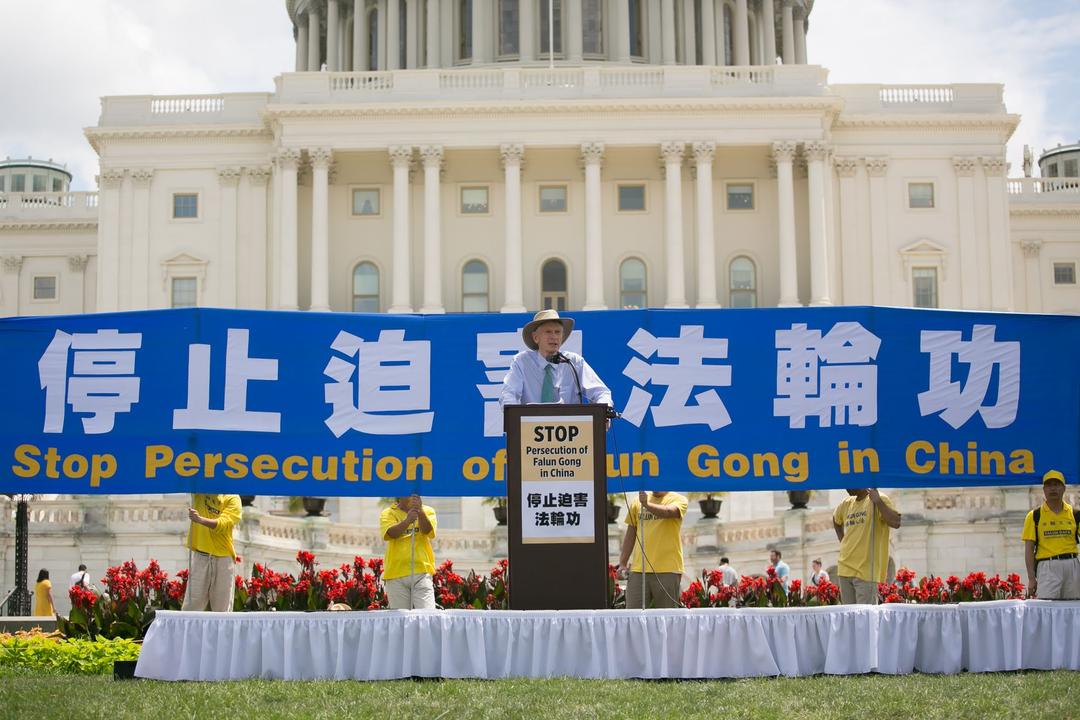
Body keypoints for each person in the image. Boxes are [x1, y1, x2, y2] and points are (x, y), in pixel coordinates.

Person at [499, 309, 612, 407]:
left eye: (557, 332)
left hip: (570, 424)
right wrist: (512, 415)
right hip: (531, 423)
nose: (554, 337)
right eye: (548, 332)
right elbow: (508, 394)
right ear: (536, 337)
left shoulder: (573, 362)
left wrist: (604, 410)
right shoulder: (522, 362)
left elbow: (601, 392)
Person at [617, 491, 688, 609]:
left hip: (668, 570)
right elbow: (630, 534)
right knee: (633, 615)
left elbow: (669, 512)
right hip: (638, 570)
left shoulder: (679, 499)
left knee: (666, 616)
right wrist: (622, 563)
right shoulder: (637, 501)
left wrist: (647, 504)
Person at [833, 488, 902, 605]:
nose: (847, 488)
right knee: (848, 615)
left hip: (866, 573)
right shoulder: (846, 503)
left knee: (865, 615)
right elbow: (836, 519)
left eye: (850, 483)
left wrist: (878, 501)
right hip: (844, 569)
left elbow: (896, 522)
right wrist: (843, 541)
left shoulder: (879, 498)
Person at [1022, 469, 1080, 600]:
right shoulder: (1034, 516)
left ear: (1064, 488)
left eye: (1057, 484)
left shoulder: (1075, 514)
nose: (1053, 488)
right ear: (1044, 489)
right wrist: (1031, 578)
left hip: (1072, 565)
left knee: (1074, 607)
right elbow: (1029, 549)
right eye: (1049, 485)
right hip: (1047, 567)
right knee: (1046, 607)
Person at [182, 493, 242, 612]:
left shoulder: (233, 497)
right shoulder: (199, 493)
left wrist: (199, 520)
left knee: (222, 610)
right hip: (201, 556)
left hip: (224, 559)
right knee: (191, 608)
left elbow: (224, 524)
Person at [380, 494, 438, 609]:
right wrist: (407, 521)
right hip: (395, 574)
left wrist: (420, 512)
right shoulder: (388, 513)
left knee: (427, 614)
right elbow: (391, 533)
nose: (412, 494)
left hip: (422, 572)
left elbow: (427, 531)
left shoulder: (428, 511)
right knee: (400, 617)